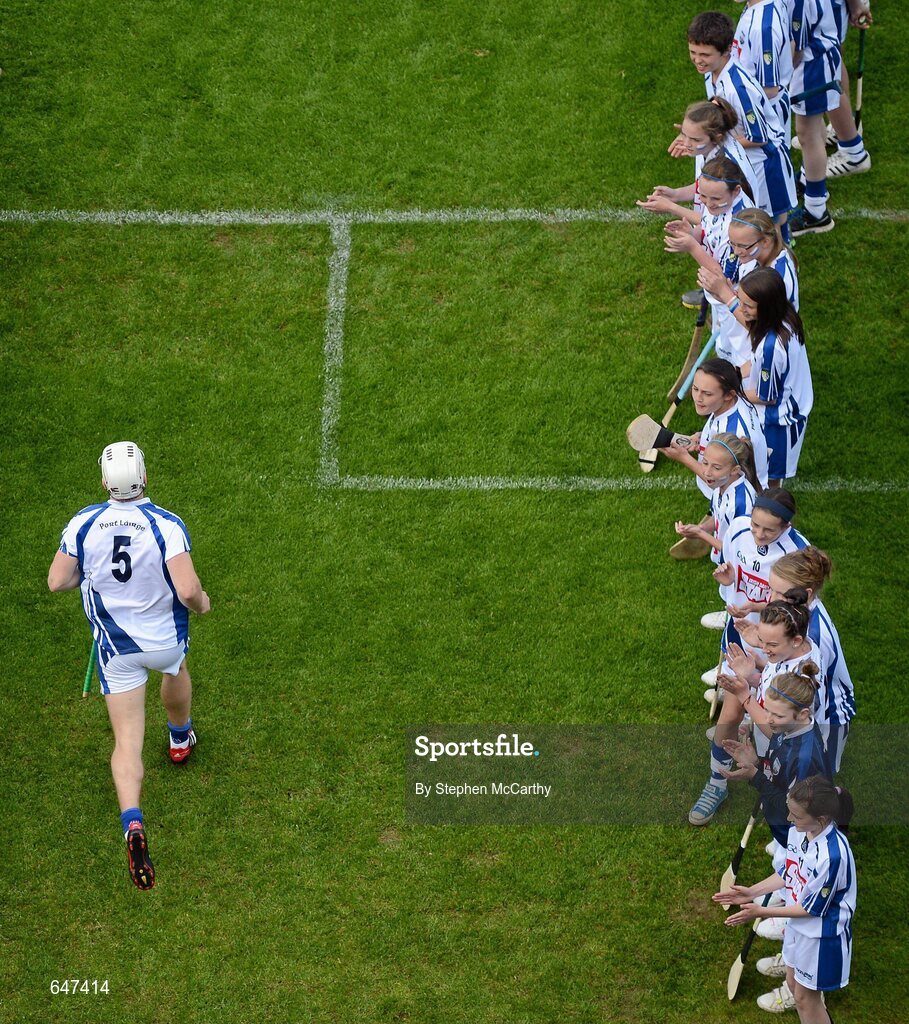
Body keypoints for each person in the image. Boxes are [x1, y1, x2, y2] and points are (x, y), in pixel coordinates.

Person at [47, 441, 211, 890]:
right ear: (145, 477)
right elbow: (188, 589)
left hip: (116, 647)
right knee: (176, 672)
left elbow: (58, 580)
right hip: (161, 641)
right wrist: (204, 605)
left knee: (126, 742)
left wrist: (90, 576)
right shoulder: (167, 526)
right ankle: (181, 739)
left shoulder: (84, 523)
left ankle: (133, 823)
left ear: (104, 482)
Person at [689, 489, 809, 824]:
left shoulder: (798, 553)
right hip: (742, 636)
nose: (758, 534)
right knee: (729, 715)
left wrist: (756, 607)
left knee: (771, 724)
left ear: (786, 527)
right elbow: (735, 574)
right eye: (756, 524)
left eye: (769, 530)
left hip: (777, 647)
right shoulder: (739, 529)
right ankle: (716, 784)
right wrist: (730, 584)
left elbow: (794, 610)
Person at [713, 777, 856, 1019]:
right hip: (797, 926)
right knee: (792, 983)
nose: (789, 819)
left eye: (796, 816)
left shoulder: (833, 857)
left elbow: (813, 909)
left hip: (821, 937)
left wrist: (762, 912)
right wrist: (752, 891)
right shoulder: (800, 831)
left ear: (820, 820)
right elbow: (790, 871)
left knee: (804, 999)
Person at [737, 547, 855, 770]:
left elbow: (804, 704)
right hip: (803, 707)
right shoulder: (801, 614)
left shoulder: (815, 638)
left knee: (810, 778)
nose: (772, 599)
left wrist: (763, 647)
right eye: (771, 589)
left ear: (807, 594)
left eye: (781, 594)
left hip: (826, 714)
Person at [686, 12, 796, 228]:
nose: (698, 60)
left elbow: (760, 136)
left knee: (765, 228)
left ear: (726, 50)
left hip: (764, 168)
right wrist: (691, 136)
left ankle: (782, 255)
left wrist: (712, 144)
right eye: (693, 52)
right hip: (745, 163)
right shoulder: (713, 72)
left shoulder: (738, 88)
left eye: (705, 54)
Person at [671, 434, 759, 623]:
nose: (707, 472)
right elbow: (718, 517)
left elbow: (739, 550)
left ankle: (737, 621)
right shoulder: (721, 485)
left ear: (735, 469)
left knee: (738, 597)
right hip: (727, 557)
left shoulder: (741, 503)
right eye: (705, 463)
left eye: (716, 467)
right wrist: (701, 527)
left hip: (739, 564)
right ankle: (731, 614)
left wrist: (700, 534)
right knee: (727, 593)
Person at [737, 267, 813, 486]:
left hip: (779, 421)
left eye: (748, 306)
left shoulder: (771, 347)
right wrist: (735, 372)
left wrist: (732, 391)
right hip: (793, 404)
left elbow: (766, 396)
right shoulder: (787, 318)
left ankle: (766, 517)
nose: (742, 310)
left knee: (768, 481)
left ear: (767, 306)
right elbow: (759, 363)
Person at [659, 359, 768, 503]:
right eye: (695, 389)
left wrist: (683, 457)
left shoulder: (734, 432)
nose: (698, 398)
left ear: (729, 394)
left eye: (707, 394)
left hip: (735, 500)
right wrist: (702, 437)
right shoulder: (729, 404)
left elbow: (720, 479)